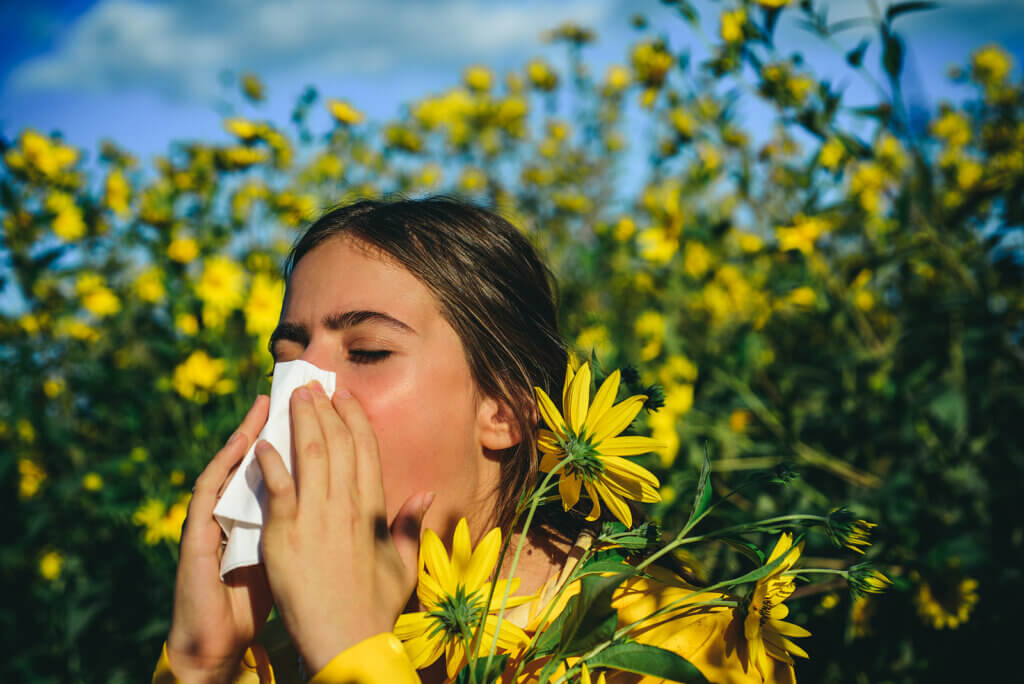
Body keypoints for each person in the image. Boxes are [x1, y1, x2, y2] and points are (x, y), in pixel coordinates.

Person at [154, 197, 797, 683]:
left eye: (368, 351)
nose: (302, 395)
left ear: (505, 411)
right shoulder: (273, 655)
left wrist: (350, 655)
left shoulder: (674, 643)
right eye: (287, 358)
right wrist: (202, 665)